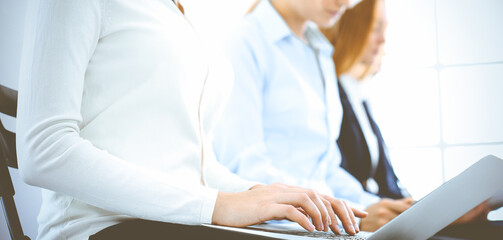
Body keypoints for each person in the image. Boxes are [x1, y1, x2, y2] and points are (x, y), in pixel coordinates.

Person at [16, 1, 366, 239]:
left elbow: (194, 168)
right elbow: (44, 149)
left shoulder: (183, 14)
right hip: (102, 228)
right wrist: (217, 205)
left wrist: (262, 194)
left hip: (177, 224)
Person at [321, 0, 492, 231]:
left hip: (376, 215)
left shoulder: (359, 97)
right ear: (350, 27)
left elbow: (388, 185)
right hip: (358, 221)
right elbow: (328, 177)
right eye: (375, 28)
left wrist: (435, 212)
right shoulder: (327, 96)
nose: (383, 40)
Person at [212, 0, 385, 228]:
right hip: (278, 228)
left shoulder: (320, 52)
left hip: (318, 225)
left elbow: (325, 168)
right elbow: (243, 170)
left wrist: (369, 207)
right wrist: (347, 217)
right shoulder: (244, 43)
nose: (345, 3)